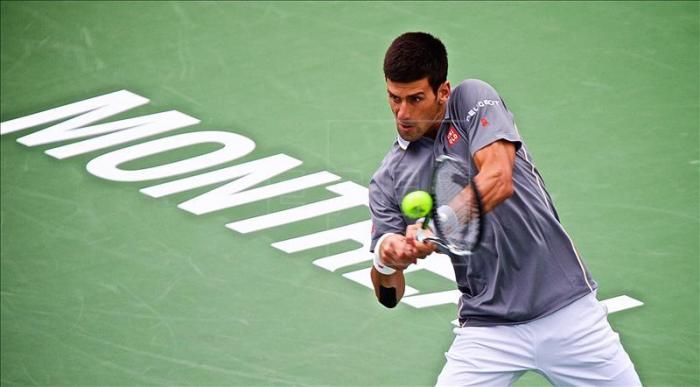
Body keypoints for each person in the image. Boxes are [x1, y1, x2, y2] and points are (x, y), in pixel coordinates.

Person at [368, 32, 641, 386]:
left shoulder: (471, 100)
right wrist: (386, 258)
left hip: (567, 311)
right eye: (394, 98)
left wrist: (434, 229)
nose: (403, 113)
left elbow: (498, 177)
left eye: (415, 98)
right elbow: (389, 295)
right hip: (487, 329)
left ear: (443, 92)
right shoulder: (389, 179)